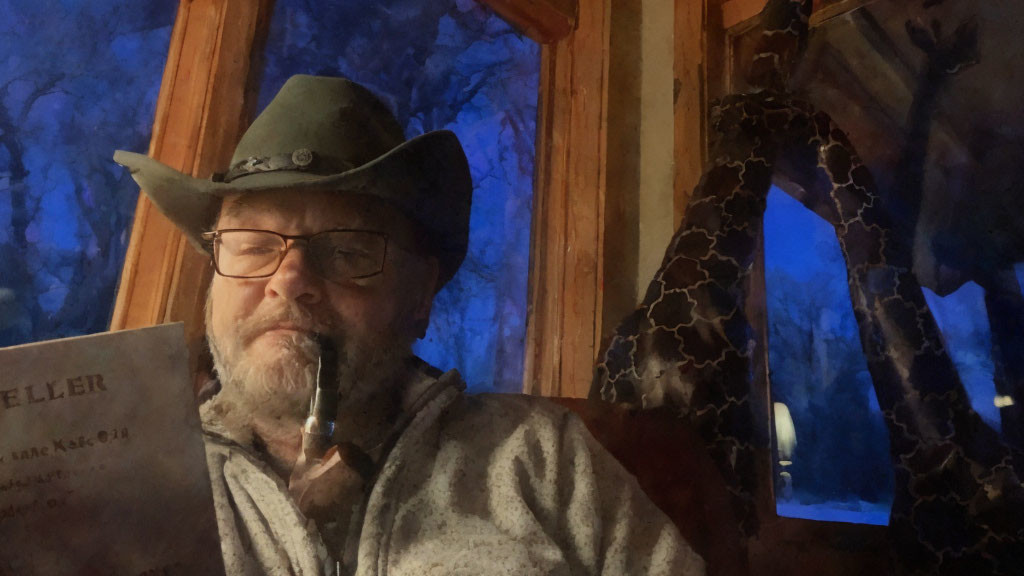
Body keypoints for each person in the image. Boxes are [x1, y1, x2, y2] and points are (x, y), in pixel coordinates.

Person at [114, 74, 704, 576]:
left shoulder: (544, 458)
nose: (289, 279)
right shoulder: (131, 483)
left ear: (419, 297)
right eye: (251, 245)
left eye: (346, 250)